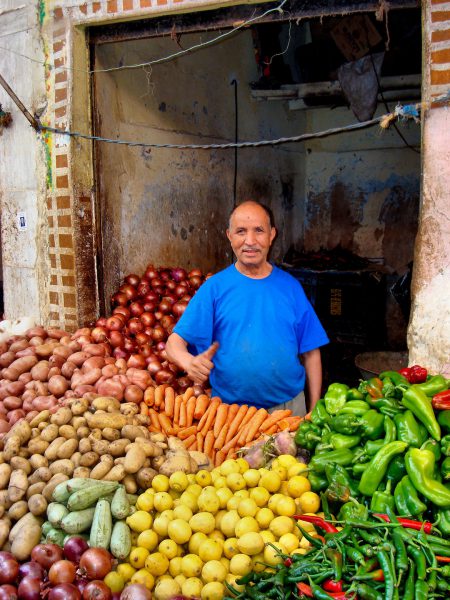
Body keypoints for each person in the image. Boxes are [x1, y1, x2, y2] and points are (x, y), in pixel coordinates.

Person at [166, 200, 329, 415]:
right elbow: (173, 344)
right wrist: (189, 362)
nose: (250, 241)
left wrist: (315, 408)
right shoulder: (214, 288)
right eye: (241, 231)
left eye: (259, 231)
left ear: (272, 235)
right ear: (229, 236)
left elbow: (311, 352)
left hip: (289, 410)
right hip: (231, 414)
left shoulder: (290, 287)